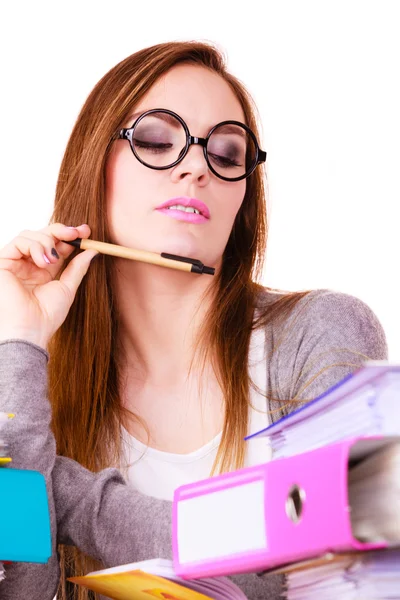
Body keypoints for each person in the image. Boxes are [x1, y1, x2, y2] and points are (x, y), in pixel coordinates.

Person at [0, 40, 387, 600]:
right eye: (157, 141)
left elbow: (321, 567)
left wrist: (62, 491)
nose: (196, 167)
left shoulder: (321, 331)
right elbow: (21, 588)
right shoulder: (35, 383)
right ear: (94, 163)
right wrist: (20, 343)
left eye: (226, 155)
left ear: (242, 198)